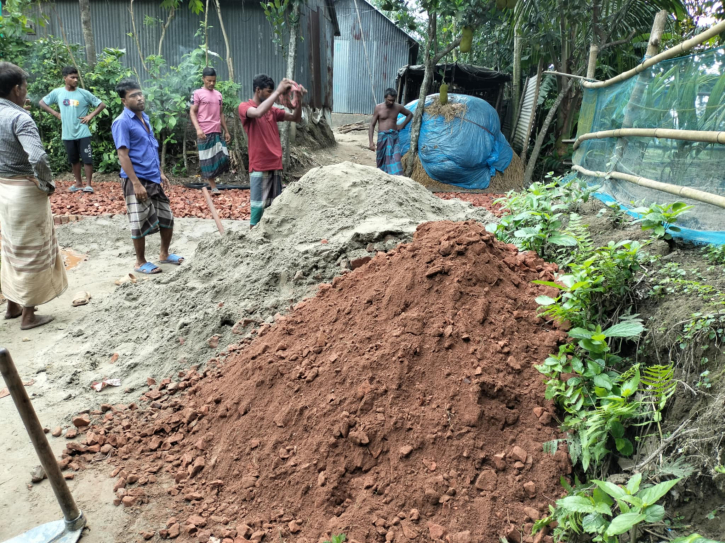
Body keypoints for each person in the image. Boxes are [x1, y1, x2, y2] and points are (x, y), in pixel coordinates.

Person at [0, 62, 67, 330]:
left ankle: (12, 305)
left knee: (12, 247)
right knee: (34, 250)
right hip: (24, 191)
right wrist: (46, 183)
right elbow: (37, 156)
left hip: (3, 189)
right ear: (17, 89)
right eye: (25, 86)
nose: (26, 91)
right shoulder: (20, 118)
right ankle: (29, 315)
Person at [111, 78, 183, 275]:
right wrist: (135, 183)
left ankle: (164, 254)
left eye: (140, 93)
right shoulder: (122, 122)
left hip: (152, 177)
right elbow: (123, 155)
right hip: (136, 179)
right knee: (139, 220)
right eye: (133, 96)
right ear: (123, 101)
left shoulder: (146, 118)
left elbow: (151, 148)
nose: (140, 98)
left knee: (167, 217)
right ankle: (140, 261)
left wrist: (160, 173)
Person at [238, 74, 306, 227]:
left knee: (274, 210)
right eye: (269, 91)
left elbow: (296, 118)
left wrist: (299, 100)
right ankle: (253, 242)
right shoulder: (245, 107)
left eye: (273, 91)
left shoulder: (273, 111)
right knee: (257, 211)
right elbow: (257, 113)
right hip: (259, 165)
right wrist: (278, 92)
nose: (272, 94)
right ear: (258, 90)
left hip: (275, 164)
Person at [39, 66, 105, 193]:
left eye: (76, 77)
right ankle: (79, 183)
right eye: (72, 77)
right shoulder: (57, 92)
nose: (75, 80)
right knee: (74, 160)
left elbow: (101, 105)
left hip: (83, 132)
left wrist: (90, 116)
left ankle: (89, 184)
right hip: (67, 133)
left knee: (87, 158)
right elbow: (42, 102)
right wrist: (56, 114)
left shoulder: (83, 93)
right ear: (65, 78)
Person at [190, 67, 231, 195]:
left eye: (214, 81)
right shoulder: (197, 93)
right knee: (207, 160)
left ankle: (214, 181)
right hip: (204, 131)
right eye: (209, 81)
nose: (211, 83)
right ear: (203, 79)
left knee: (224, 157)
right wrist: (198, 129)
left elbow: (221, 113)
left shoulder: (218, 94)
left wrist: (227, 131)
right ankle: (213, 187)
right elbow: (192, 111)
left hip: (217, 130)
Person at [368, 88, 412, 176]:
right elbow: (372, 125)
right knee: (381, 160)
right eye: (389, 100)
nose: (391, 102)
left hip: (394, 137)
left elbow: (410, 114)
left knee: (395, 159)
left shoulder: (398, 107)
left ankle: (395, 178)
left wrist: (402, 125)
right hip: (382, 137)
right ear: (385, 98)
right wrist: (371, 142)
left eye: (393, 100)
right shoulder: (378, 108)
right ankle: (382, 177)